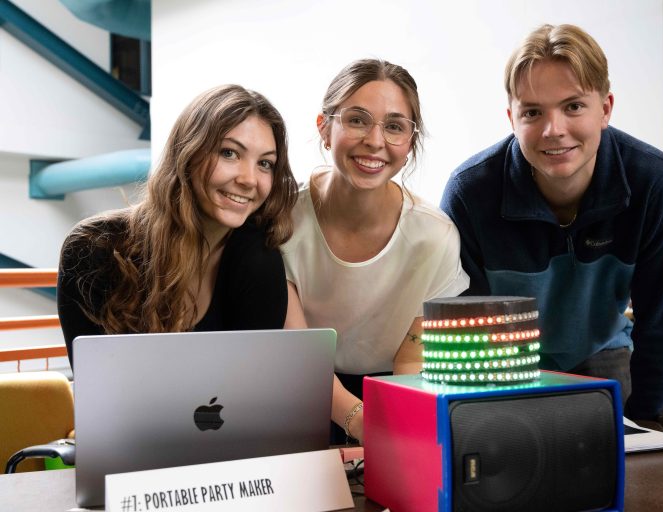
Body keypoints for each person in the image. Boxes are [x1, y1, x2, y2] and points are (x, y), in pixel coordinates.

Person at [440, 24, 663, 420]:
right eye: (532, 112)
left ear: (605, 109)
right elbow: (469, 339)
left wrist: (643, 426)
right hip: (509, 362)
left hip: (602, 351)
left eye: (573, 106)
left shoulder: (653, 182)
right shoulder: (470, 193)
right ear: (512, 118)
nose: (553, 130)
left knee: (627, 466)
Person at [281, 59, 469, 444]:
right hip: (294, 389)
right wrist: (358, 421)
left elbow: (412, 362)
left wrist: (398, 430)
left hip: (389, 390)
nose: (375, 140)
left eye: (395, 127)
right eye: (357, 120)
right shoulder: (281, 220)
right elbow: (297, 353)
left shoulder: (434, 237)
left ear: (410, 142)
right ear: (324, 129)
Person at [58, 85, 300, 369]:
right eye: (229, 153)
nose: (249, 179)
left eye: (265, 163)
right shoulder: (93, 249)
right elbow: (97, 387)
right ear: (187, 152)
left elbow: (251, 390)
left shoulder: (258, 259)